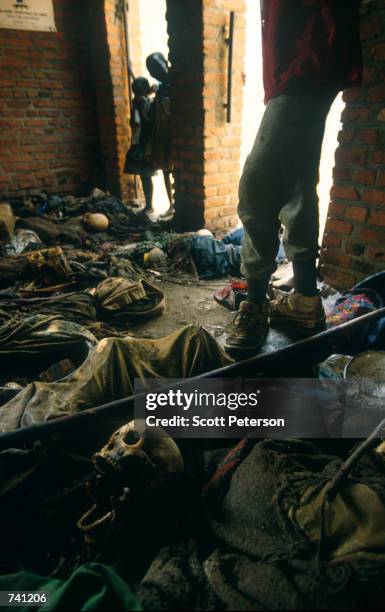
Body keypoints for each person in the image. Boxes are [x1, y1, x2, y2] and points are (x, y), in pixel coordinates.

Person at [225, 0, 362, 353]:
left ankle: (255, 304)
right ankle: (304, 301)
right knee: (299, 184)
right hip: (307, 56)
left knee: (257, 187)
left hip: (308, 53)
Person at [146, 52, 175, 220]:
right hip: (161, 131)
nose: (154, 73)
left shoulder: (176, 82)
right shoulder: (161, 86)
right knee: (165, 169)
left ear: (166, 62)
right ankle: (172, 205)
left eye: (157, 67)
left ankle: (177, 204)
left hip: (173, 131)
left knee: (175, 168)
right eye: (151, 71)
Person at [124, 77, 157, 221]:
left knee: (146, 175)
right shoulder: (140, 102)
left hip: (145, 144)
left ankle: (149, 206)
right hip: (139, 143)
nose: (134, 91)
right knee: (144, 176)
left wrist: (138, 108)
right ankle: (149, 205)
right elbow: (134, 123)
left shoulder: (145, 103)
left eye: (137, 88)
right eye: (134, 88)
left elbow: (148, 125)